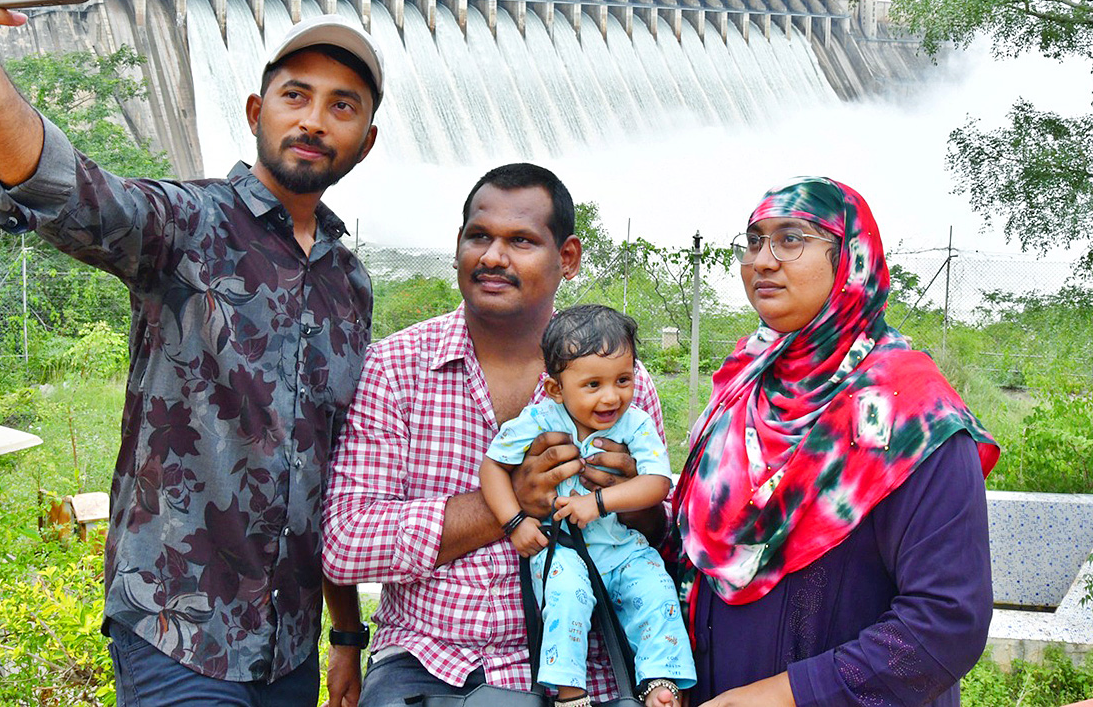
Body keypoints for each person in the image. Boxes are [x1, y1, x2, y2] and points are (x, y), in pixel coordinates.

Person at [0, 0, 383, 707]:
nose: (312, 119)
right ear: (255, 111)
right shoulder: (187, 225)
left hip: (289, 649)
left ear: (364, 141)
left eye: (341, 106)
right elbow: (70, 189)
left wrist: (344, 635)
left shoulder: (352, 286)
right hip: (176, 632)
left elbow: (330, 474)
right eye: (295, 95)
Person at [321, 164, 679, 707]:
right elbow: (345, 542)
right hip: (428, 662)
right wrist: (510, 505)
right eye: (479, 237)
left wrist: (630, 504)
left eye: (521, 241)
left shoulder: (621, 386)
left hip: (584, 670)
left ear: (568, 258)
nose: (492, 256)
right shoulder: (393, 368)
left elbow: (659, 538)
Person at [669, 176, 1000, 707]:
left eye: (791, 238)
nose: (763, 261)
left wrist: (788, 695)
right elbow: (698, 550)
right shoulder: (740, 389)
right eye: (754, 241)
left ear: (850, 258)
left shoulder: (911, 410)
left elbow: (946, 621)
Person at [480, 304, 696, 707]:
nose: (612, 396)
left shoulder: (635, 423)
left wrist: (600, 501)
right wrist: (514, 522)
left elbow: (657, 483)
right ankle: (569, 693)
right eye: (593, 385)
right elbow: (492, 466)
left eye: (624, 380)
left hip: (622, 548)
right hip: (564, 548)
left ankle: (661, 679)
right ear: (556, 389)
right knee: (565, 594)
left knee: (655, 589)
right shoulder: (541, 419)